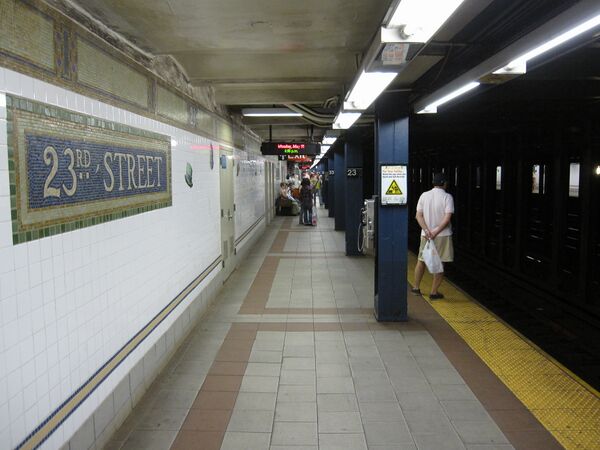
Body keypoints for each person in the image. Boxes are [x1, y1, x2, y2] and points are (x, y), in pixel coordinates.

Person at [413, 172, 454, 299]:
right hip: (442, 235)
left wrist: (427, 231)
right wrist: (435, 232)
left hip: (425, 235)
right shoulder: (447, 197)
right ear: (444, 183)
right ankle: (434, 292)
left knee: (421, 260)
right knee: (440, 263)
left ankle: (416, 287)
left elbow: (418, 216)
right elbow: (447, 218)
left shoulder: (424, 195)